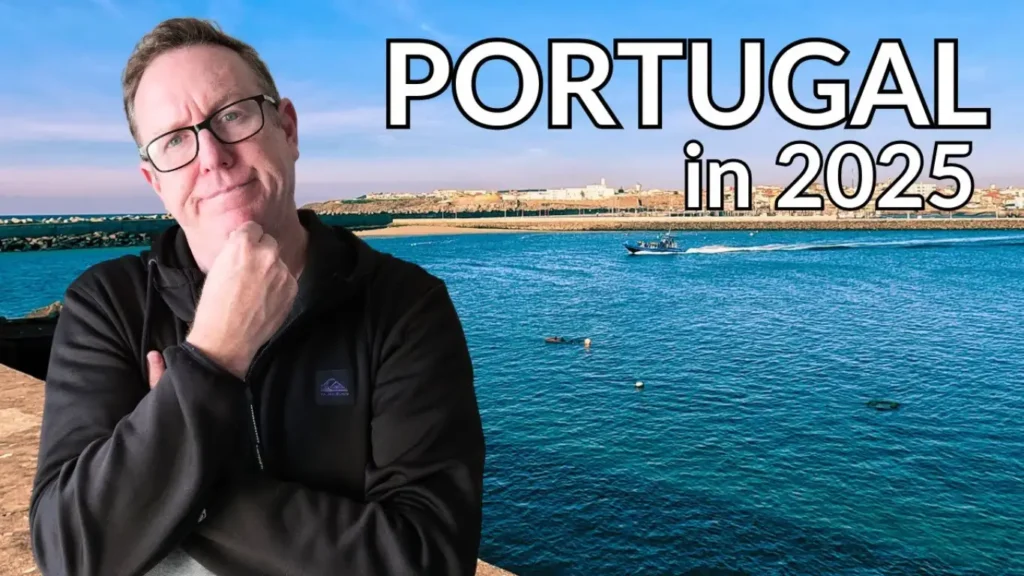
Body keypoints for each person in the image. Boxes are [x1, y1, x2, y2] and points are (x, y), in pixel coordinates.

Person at [28, 17, 485, 576]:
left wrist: (177, 470)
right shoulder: (109, 305)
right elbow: (72, 553)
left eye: (233, 116)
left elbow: (428, 560)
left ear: (288, 129)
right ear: (155, 182)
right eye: (174, 140)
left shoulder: (406, 305)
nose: (212, 157)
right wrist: (216, 355)